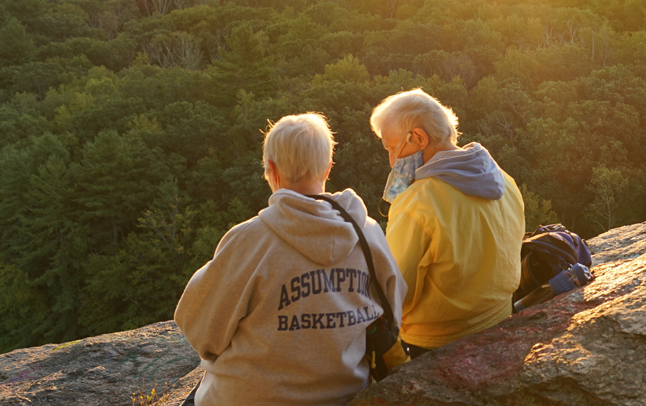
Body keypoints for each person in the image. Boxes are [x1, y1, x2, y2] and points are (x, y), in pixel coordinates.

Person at [174, 113, 404, 406]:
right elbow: (394, 312)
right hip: (344, 396)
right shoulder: (369, 233)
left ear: (271, 168)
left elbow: (200, 329)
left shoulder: (249, 240)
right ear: (328, 168)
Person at [373, 89, 525, 363]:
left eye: (392, 148)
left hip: (437, 344)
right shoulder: (504, 179)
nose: (392, 161)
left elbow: (394, 294)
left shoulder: (417, 203)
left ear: (419, 137)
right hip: (502, 320)